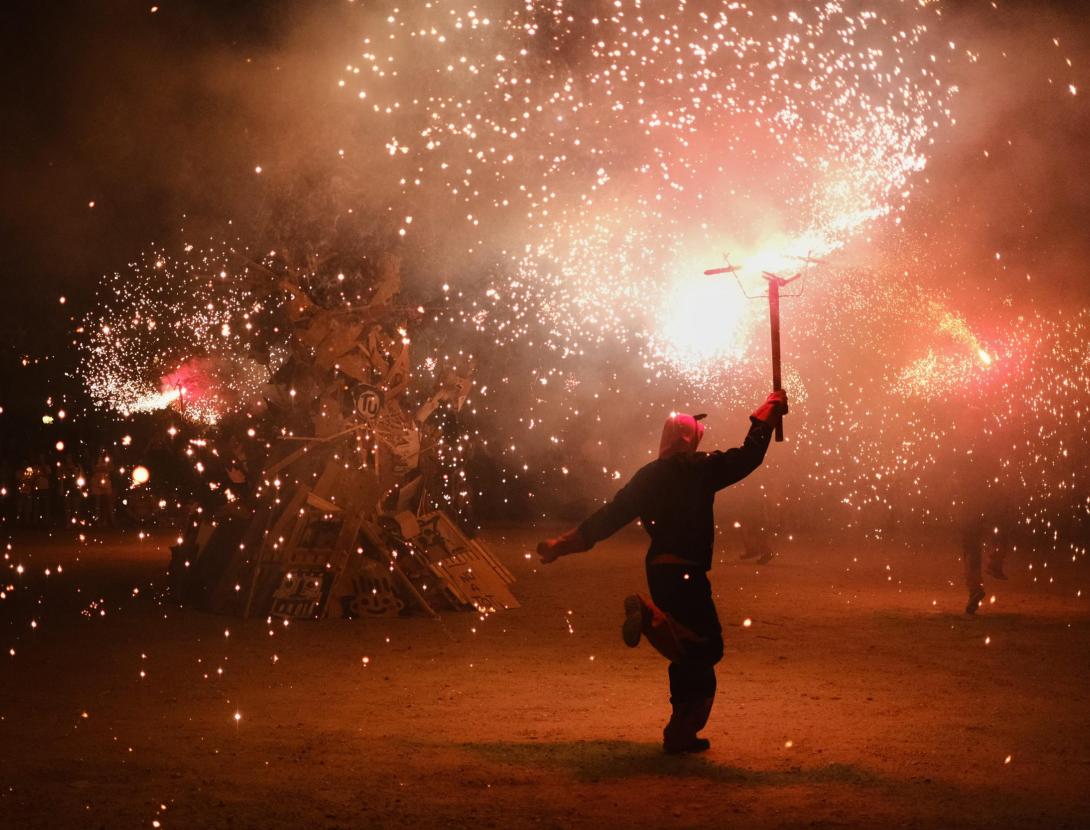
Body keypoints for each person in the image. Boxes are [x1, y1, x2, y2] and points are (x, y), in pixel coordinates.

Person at [536, 390, 788, 754]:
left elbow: (610, 516)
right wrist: (767, 412)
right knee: (707, 647)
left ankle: (679, 733)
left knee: (687, 655)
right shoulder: (701, 468)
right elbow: (749, 456)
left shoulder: (648, 476)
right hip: (687, 571)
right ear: (691, 440)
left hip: (659, 570)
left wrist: (564, 543)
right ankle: (653, 619)